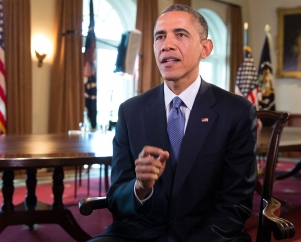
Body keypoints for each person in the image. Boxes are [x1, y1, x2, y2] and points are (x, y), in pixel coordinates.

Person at [90, 4, 257, 241]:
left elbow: (234, 206)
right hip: (139, 233)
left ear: (205, 48)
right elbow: (116, 198)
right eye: (160, 36)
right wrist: (140, 188)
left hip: (208, 235)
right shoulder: (130, 111)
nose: (166, 44)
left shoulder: (237, 112)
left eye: (180, 34)